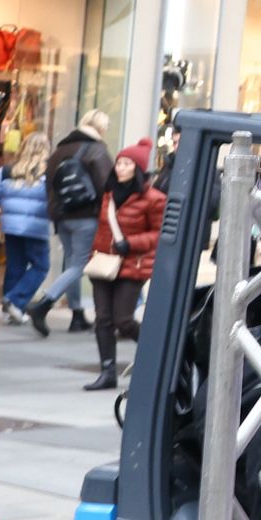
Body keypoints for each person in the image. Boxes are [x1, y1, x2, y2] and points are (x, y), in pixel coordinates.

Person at [86, 139, 161, 395]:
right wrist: (94, 253)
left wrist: (131, 243)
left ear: (138, 168)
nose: (121, 168)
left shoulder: (153, 198)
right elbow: (101, 228)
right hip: (104, 263)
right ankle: (107, 372)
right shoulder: (108, 194)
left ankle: (155, 354)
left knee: (124, 320)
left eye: (127, 163)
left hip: (133, 265)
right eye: (119, 163)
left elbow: (159, 233)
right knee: (103, 319)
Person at [33, 112, 109, 335]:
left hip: (62, 216)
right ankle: (43, 304)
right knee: (80, 265)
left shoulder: (59, 151)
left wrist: (55, 212)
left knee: (72, 263)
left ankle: (77, 316)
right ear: (101, 128)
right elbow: (106, 186)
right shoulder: (97, 150)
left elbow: (49, 186)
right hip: (86, 215)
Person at [0, 149, 50, 330]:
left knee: (15, 265)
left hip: (11, 223)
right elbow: (51, 198)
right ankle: (15, 301)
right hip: (35, 225)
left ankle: (8, 311)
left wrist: (10, 208)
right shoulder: (46, 171)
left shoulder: (7, 170)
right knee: (41, 265)